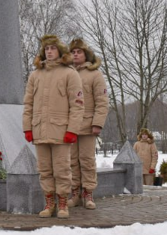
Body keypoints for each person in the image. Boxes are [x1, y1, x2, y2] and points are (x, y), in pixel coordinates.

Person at [23, 34, 85, 219]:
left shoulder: (70, 73)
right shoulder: (35, 75)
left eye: (53, 48)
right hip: (39, 129)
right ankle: (49, 203)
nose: (49, 52)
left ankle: (63, 204)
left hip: (61, 131)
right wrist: (27, 127)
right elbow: (28, 103)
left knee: (62, 169)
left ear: (59, 51)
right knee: (44, 170)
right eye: (46, 49)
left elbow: (78, 104)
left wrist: (72, 130)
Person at [67, 38, 109, 210]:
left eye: (79, 52)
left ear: (86, 55)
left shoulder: (95, 74)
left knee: (87, 161)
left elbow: (102, 101)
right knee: (71, 162)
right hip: (69, 126)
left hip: (87, 125)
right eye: (73, 52)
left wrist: (97, 123)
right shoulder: (66, 73)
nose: (76, 55)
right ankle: (75, 193)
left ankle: (88, 194)